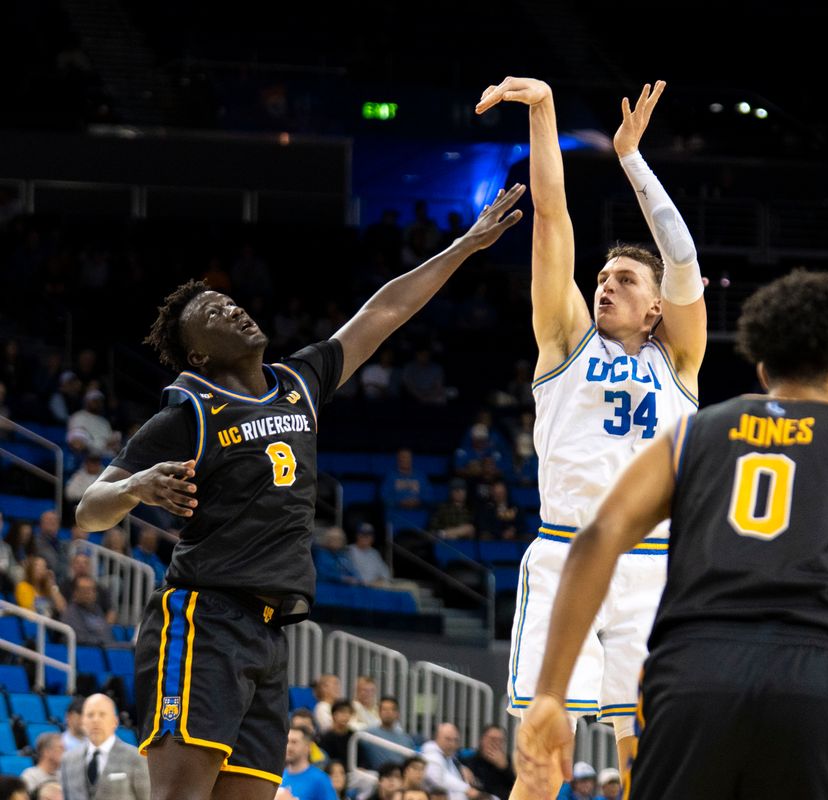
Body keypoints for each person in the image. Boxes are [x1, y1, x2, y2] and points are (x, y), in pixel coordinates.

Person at [72, 189, 525, 800]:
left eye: (227, 301)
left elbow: (384, 312)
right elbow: (86, 512)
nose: (230, 310)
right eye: (211, 314)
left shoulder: (299, 382)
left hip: (269, 632)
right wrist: (133, 485)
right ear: (199, 353)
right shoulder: (190, 413)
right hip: (205, 616)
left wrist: (461, 247)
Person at [514, 270, 828, 800]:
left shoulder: (695, 434)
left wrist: (552, 692)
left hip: (693, 677)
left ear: (762, 370)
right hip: (818, 678)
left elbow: (598, 539)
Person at [476, 77, 707, 794]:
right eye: (603, 276)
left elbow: (685, 260)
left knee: (652, 760)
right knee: (543, 754)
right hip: (566, 555)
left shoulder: (682, 360)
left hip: (654, 568)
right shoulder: (566, 338)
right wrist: (542, 112)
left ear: (656, 310)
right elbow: (552, 217)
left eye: (626, 281)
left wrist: (632, 160)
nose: (606, 285)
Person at [58, 694, 150, 800]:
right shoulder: (68, 759)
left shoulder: (136, 758)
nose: (95, 720)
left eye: (102, 714)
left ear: (115, 721)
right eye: (90, 715)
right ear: (83, 721)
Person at [420, 723, 484, 800]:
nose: (452, 744)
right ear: (437, 738)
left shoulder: (449, 757)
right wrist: (466, 789)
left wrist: (461, 768)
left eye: (456, 740)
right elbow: (439, 778)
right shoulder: (430, 755)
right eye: (448, 739)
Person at [279, 727, 337, 800]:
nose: (289, 747)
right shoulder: (280, 775)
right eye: (287, 742)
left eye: (294, 742)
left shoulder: (320, 779)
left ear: (308, 747)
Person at [360, 697, 417, 769]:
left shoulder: (405, 738)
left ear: (397, 714)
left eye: (392, 709)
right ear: (379, 712)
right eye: (384, 709)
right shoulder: (368, 734)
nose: (388, 712)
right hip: (376, 776)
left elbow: (412, 761)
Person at [61, 575, 116, 645]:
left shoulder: (97, 610)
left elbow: (107, 635)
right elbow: (80, 638)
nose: (88, 593)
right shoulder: (70, 613)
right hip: (85, 653)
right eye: (83, 590)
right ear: (75, 593)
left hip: (103, 650)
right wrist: (102, 642)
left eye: (91, 589)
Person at [462, 725, 515, 798]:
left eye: (500, 740)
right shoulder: (470, 761)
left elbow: (522, 786)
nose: (496, 744)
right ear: (482, 740)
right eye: (492, 739)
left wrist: (506, 768)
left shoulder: (510, 763)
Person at [317, 700, 355, 765]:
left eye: (348, 712)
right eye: (342, 712)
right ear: (333, 714)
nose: (345, 716)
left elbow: (361, 759)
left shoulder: (353, 736)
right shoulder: (325, 737)